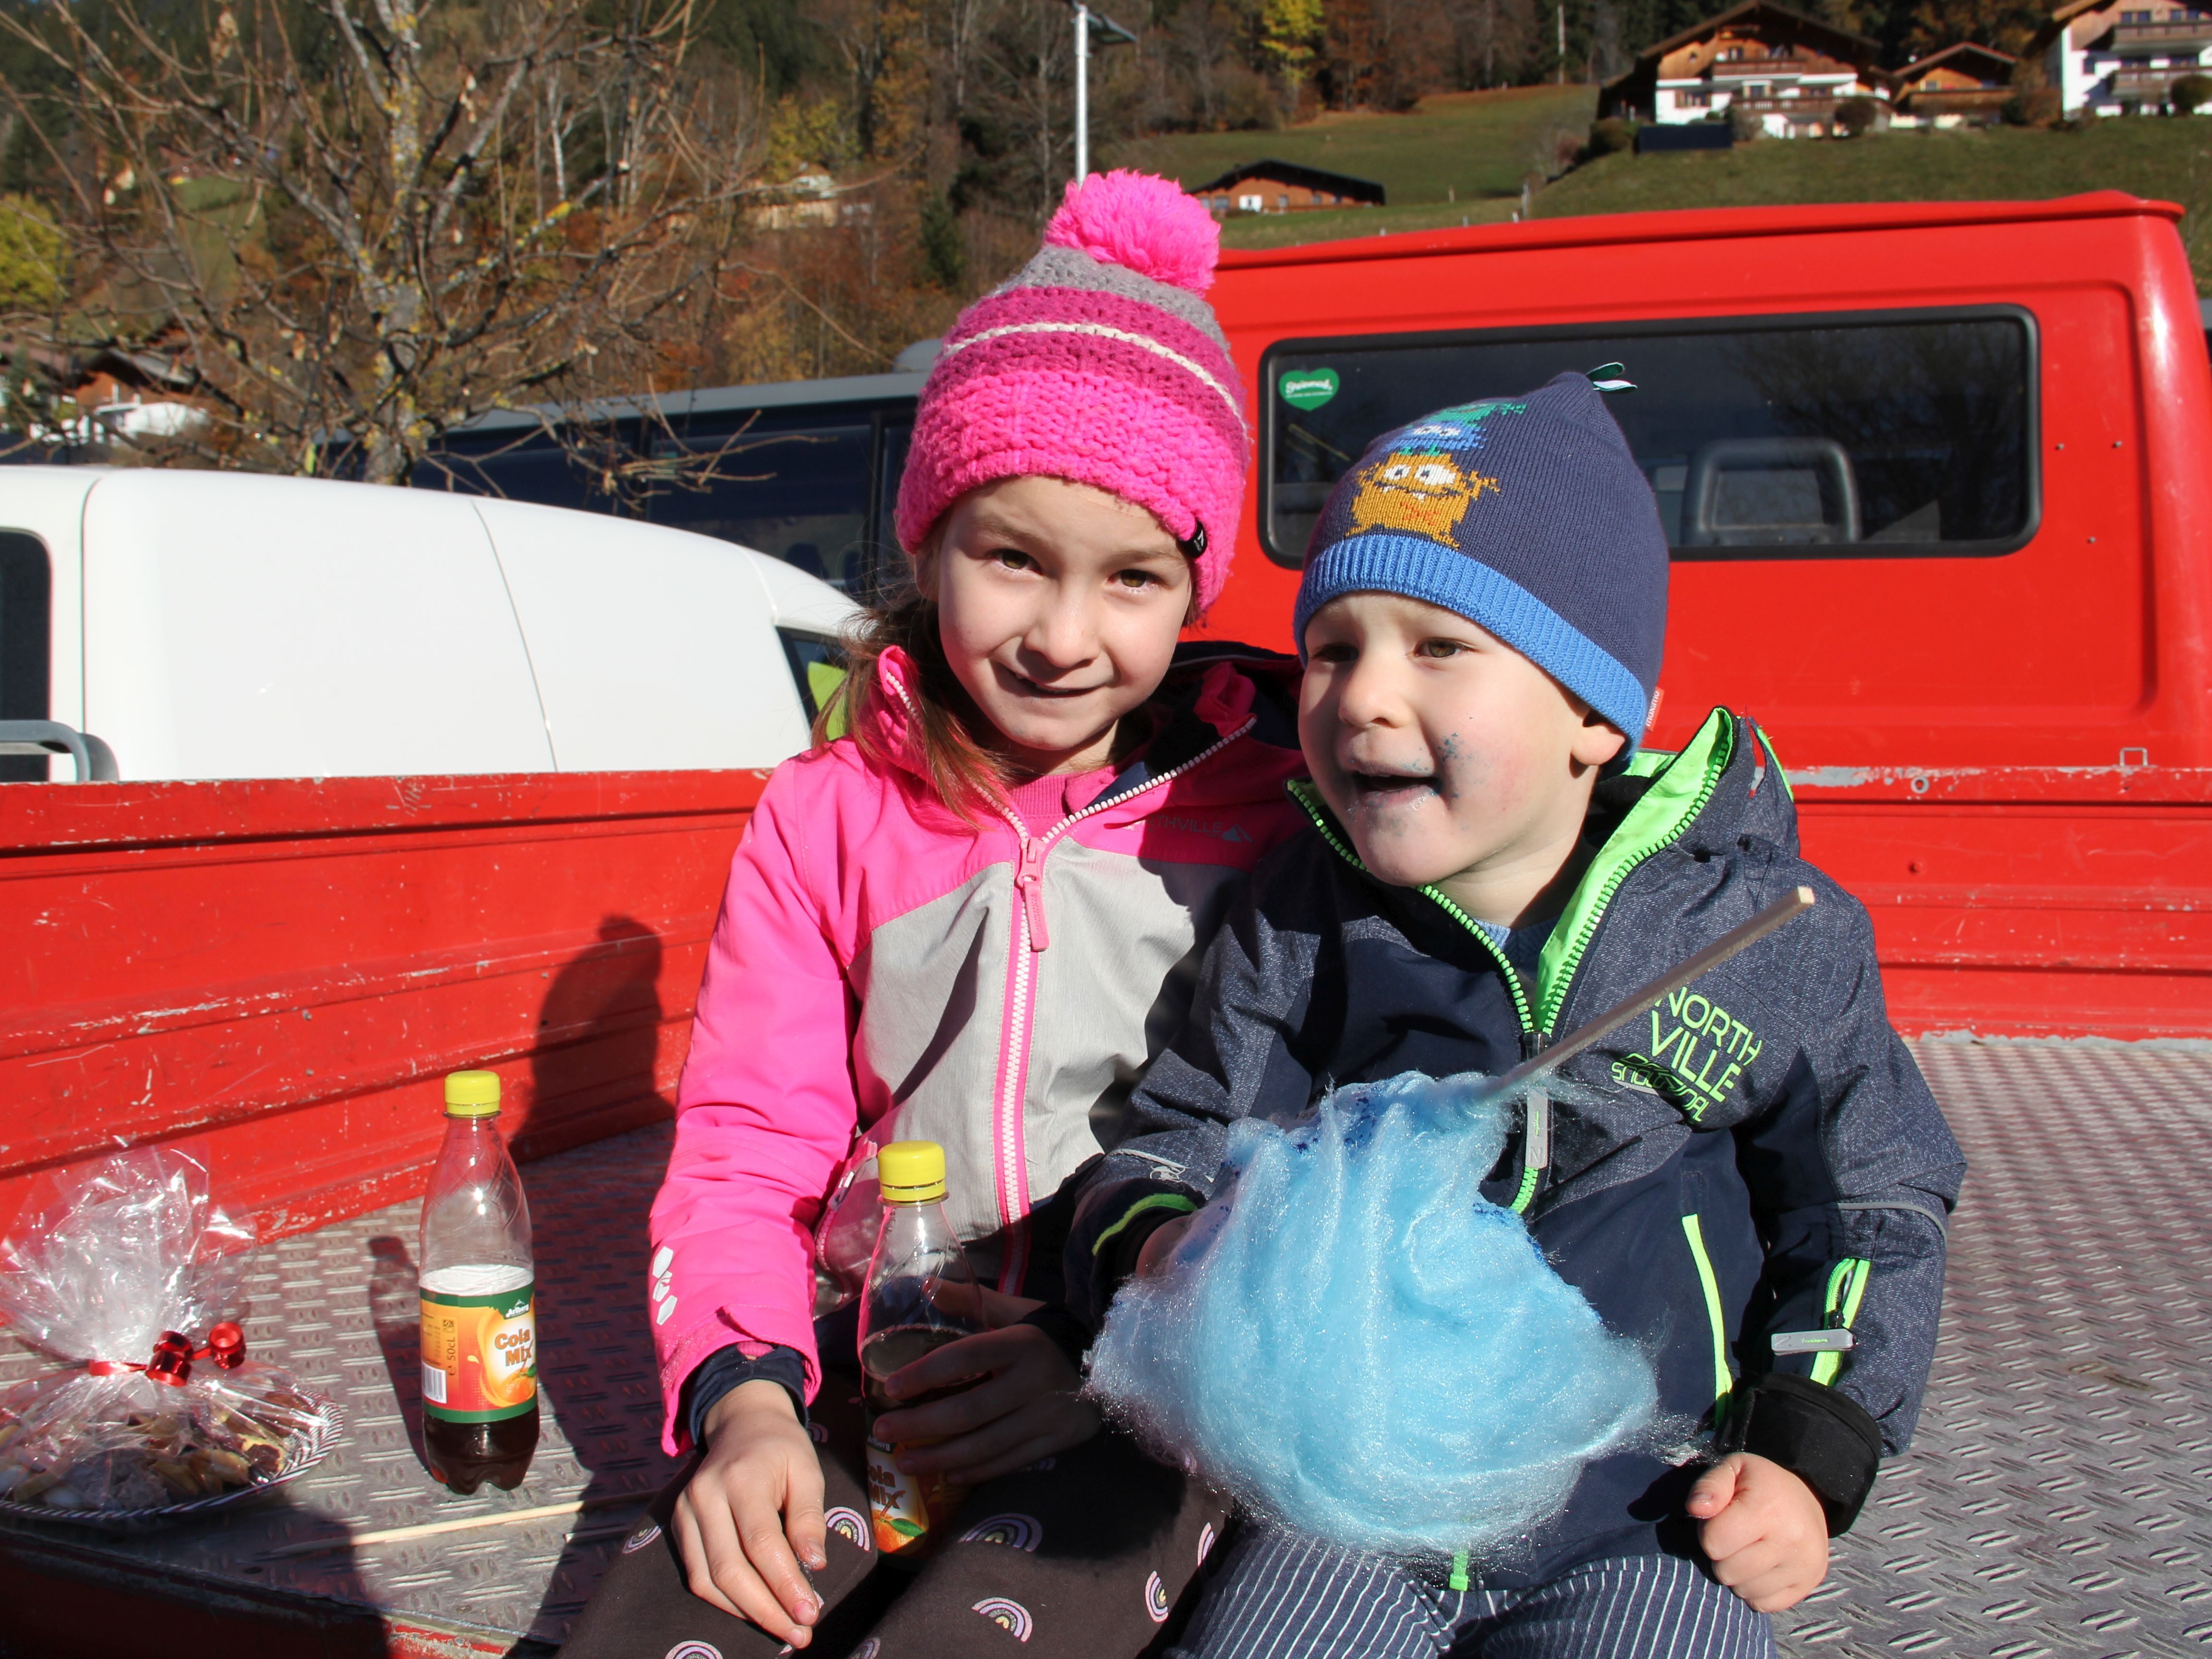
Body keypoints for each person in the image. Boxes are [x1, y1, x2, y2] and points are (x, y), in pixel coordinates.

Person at [1061, 374, 1967, 1659]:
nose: (1362, 696)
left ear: (1593, 714)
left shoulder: (1769, 936)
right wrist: (1160, 1250)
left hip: (1651, 1509)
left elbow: (1873, 1206)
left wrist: (1805, 1449)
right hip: (1352, 1508)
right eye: (1333, 648)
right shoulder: (1303, 917)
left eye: (1438, 647)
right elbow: (1169, 1142)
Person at [558, 169, 1307, 1659]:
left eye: (1133, 577)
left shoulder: (1275, 821)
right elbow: (748, 1149)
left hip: (1149, 1415)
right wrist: (749, 1400)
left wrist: (1118, 1368)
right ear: (928, 541)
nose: (1061, 635)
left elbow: (1307, 1162)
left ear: (1192, 582)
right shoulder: (825, 814)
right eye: (1011, 555)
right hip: (865, 1380)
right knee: (681, 1614)